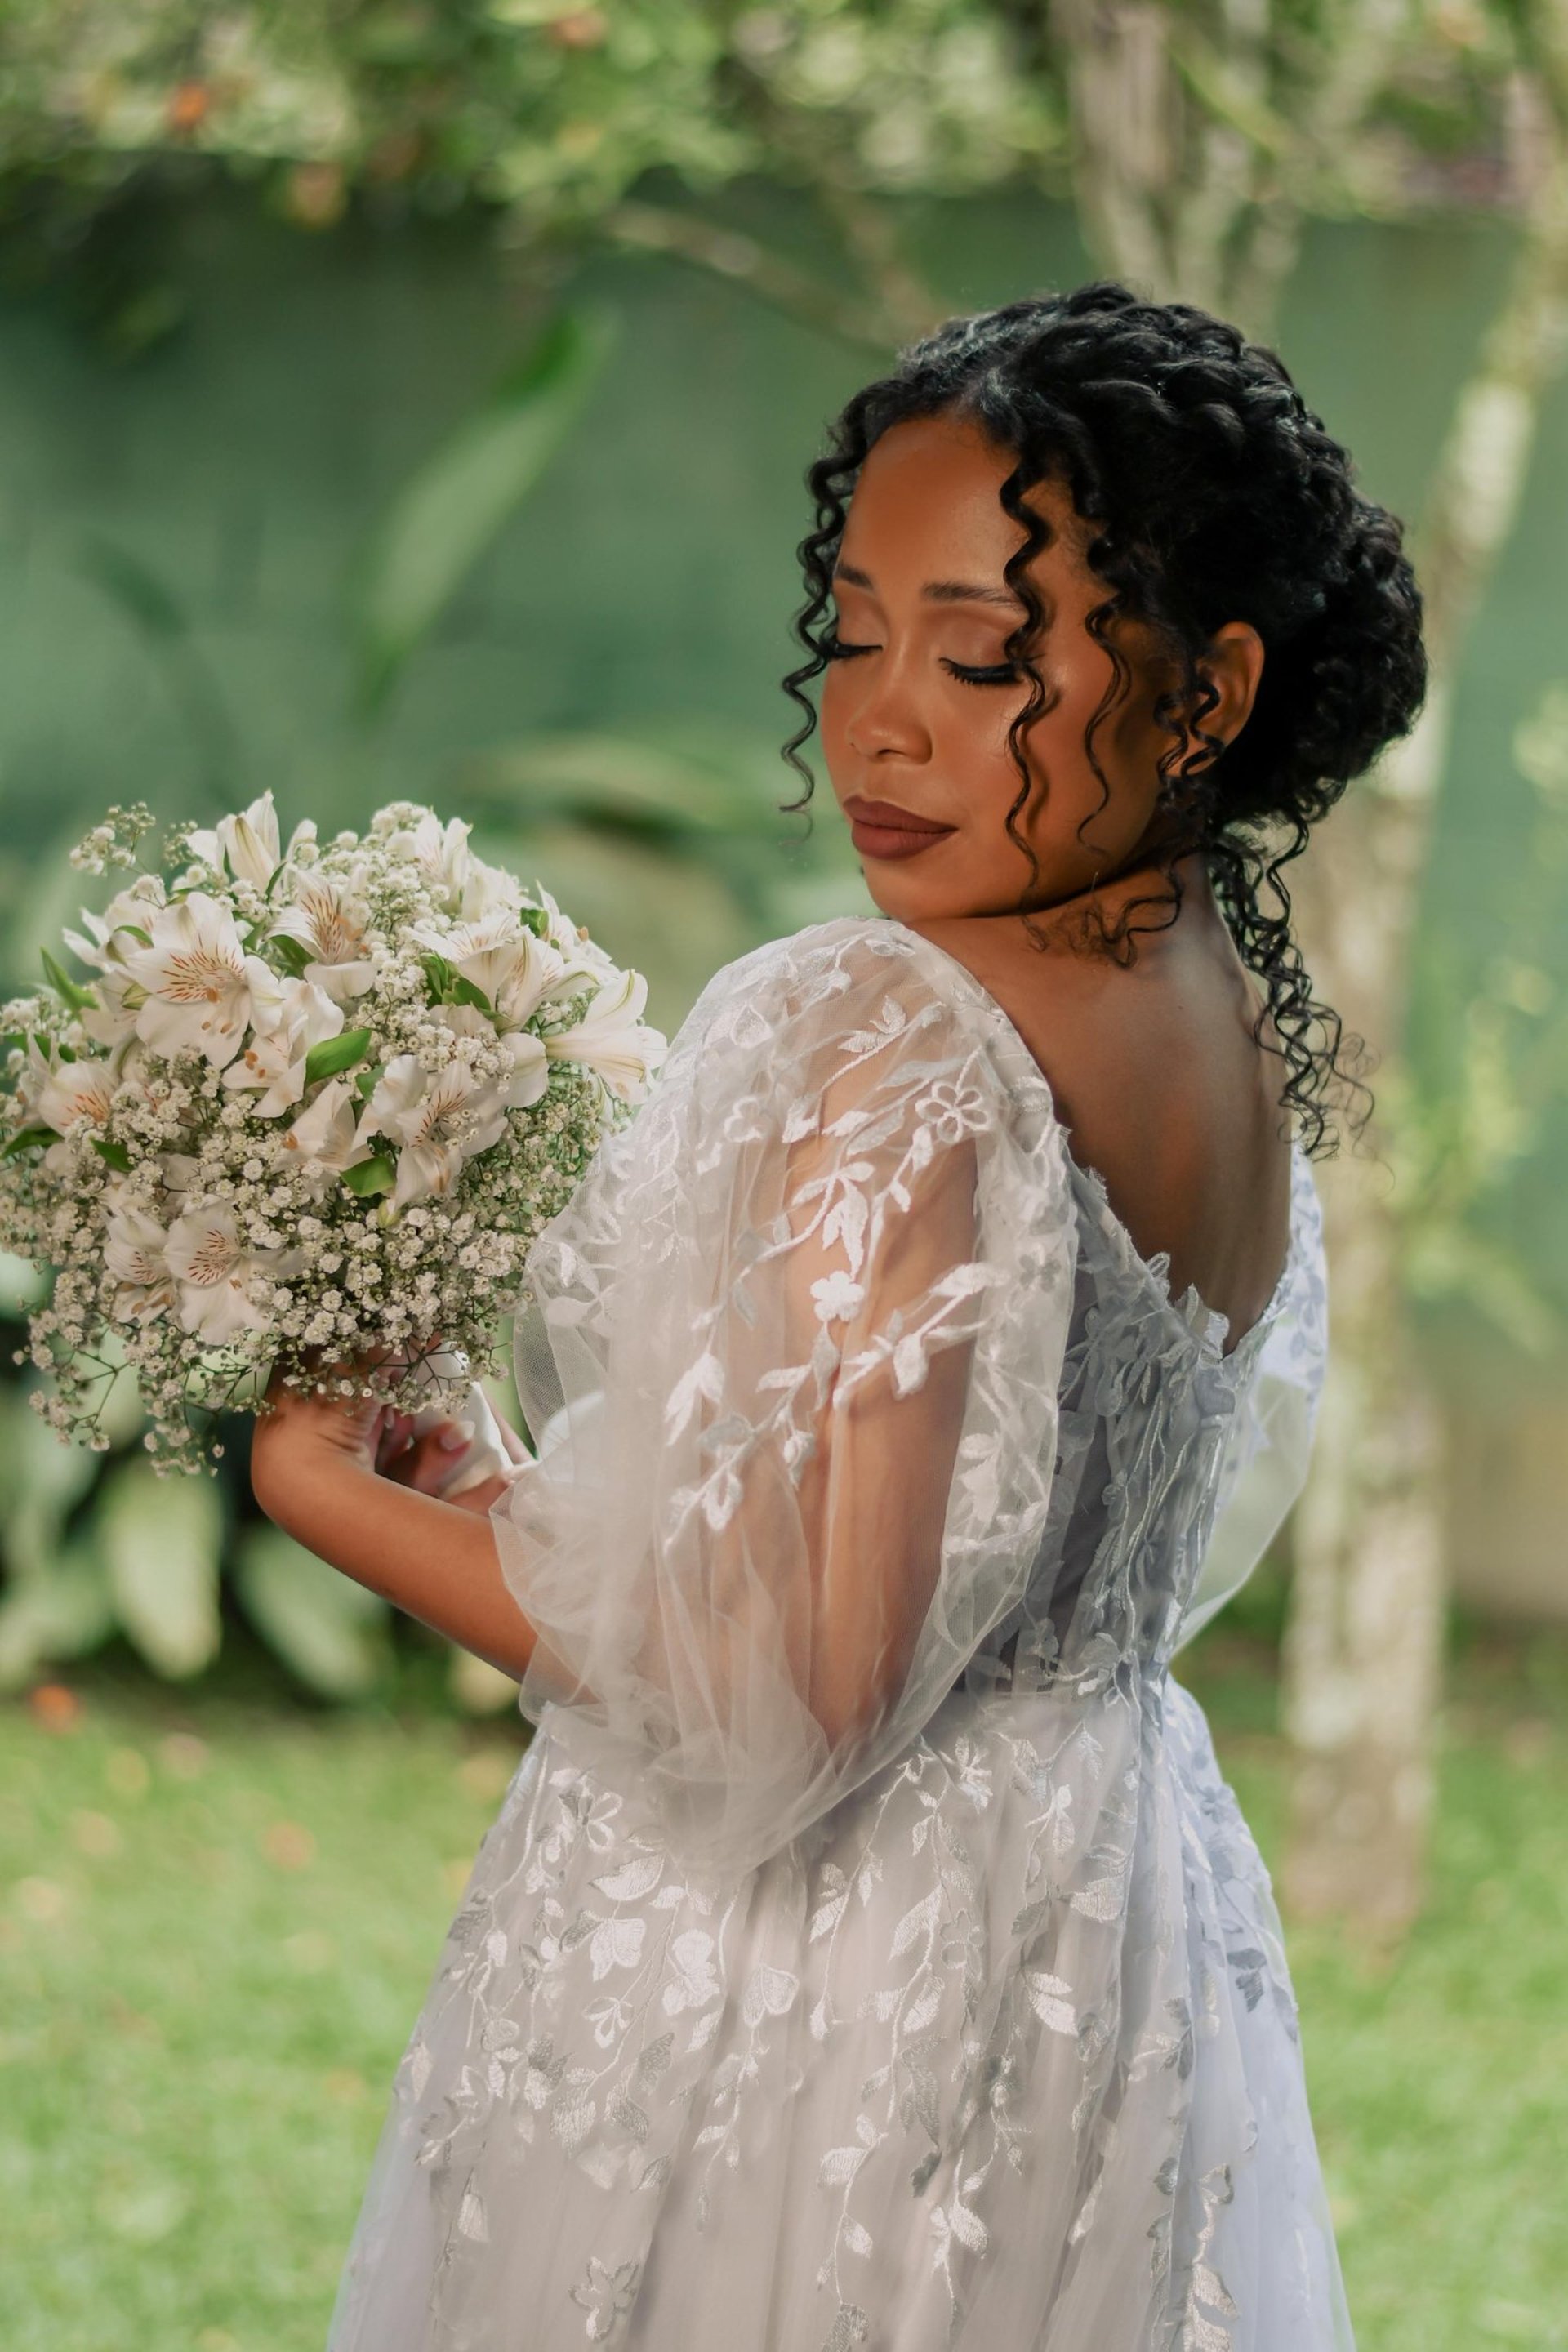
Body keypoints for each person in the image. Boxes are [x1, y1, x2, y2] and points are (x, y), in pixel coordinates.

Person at [250, 280, 1427, 2350]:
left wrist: (322, 1493)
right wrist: (533, 1500)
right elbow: (963, 1537)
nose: (876, 724)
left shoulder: (892, 1032)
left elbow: (789, 1698)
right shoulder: (1221, 1024)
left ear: (1212, 687)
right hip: (1102, 1889)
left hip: (833, 1979)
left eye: (983, 656)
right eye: (855, 636)